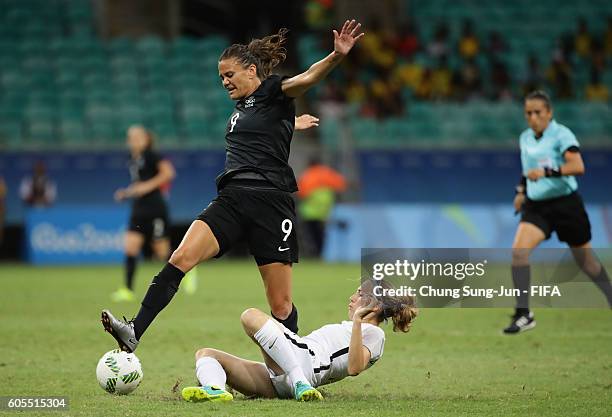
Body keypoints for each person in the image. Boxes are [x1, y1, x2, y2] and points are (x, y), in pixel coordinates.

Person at [101, 20, 365, 352]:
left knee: (281, 305)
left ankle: (296, 366)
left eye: (230, 74)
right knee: (180, 256)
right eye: (221, 77)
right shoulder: (241, 111)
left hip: (271, 203)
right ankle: (134, 331)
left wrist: (336, 57)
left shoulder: (272, 91)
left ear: (252, 71)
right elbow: (267, 126)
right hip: (232, 198)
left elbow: (307, 78)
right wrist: (290, 124)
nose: (225, 81)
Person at [180, 279, 417, 402]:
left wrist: (357, 322)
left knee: (250, 316)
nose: (352, 297)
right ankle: (215, 389)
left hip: (306, 364)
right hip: (284, 376)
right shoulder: (358, 330)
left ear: (375, 306)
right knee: (206, 354)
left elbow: (355, 367)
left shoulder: (375, 334)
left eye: (360, 294)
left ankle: (299, 383)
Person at [504, 90, 612, 334]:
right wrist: (521, 191)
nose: (532, 118)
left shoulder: (562, 134)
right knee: (518, 253)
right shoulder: (525, 138)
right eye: (528, 113)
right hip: (537, 206)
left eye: (537, 113)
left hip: (566, 205)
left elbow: (578, 166)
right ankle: (524, 314)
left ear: (549, 113)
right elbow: (527, 170)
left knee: (586, 261)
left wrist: (547, 173)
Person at [111, 125, 177, 302]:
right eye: (130, 137)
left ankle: (187, 264)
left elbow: (169, 173)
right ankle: (127, 289)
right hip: (138, 208)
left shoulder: (151, 155)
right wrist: (126, 193)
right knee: (130, 248)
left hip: (155, 208)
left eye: (137, 137)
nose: (133, 141)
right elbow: (139, 184)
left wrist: (145, 188)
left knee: (161, 252)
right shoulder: (134, 159)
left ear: (146, 139)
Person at [297, 157, 346, 257]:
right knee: (321, 234)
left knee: (311, 234)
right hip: (325, 211)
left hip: (309, 211)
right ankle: (320, 253)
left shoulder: (307, 175)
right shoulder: (328, 173)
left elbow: (301, 193)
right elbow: (341, 185)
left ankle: (314, 253)